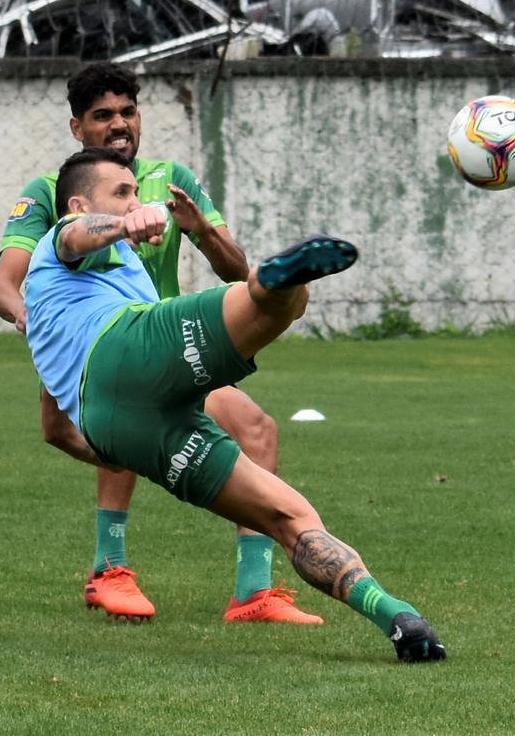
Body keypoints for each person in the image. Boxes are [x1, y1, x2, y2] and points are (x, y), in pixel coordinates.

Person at [24, 147, 446, 662]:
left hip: (118, 422)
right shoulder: (64, 239)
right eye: (122, 192)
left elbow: (54, 430)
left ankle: (399, 618)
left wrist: (110, 450)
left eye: (135, 191)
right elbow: (75, 235)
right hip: (125, 350)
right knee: (280, 300)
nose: (135, 199)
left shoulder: (57, 302)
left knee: (288, 516)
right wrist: (123, 225)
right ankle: (274, 284)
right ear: (76, 203)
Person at [0, 63, 319, 624]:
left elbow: (237, 271)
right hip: (85, 343)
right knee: (72, 432)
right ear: (77, 128)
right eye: (102, 116)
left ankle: (253, 590)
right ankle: (110, 568)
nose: (119, 124)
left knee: (256, 427)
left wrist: (202, 229)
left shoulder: (171, 180)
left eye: (127, 112)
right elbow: (4, 283)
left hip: (166, 342)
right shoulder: (53, 191)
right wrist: (31, 321)